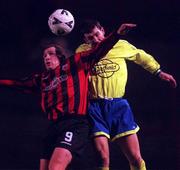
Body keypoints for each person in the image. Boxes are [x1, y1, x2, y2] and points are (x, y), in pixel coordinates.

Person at [0, 23, 136, 170]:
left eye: (51, 54)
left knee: (56, 167)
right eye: (44, 55)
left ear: (61, 56)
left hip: (74, 124)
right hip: (53, 127)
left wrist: (117, 34)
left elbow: (99, 50)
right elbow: (17, 83)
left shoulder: (76, 64)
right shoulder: (42, 79)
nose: (46, 57)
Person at [76, 19, 177, 170]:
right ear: (85, 39)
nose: (95, 39)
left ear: (102, 30)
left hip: (118, 106)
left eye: (97, 34)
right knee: (103, 159)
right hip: (94, 108)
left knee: (136, 159)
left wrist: (158, 72)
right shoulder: (82, 51)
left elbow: (140, 56)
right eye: (90, 38)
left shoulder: (120, 45)